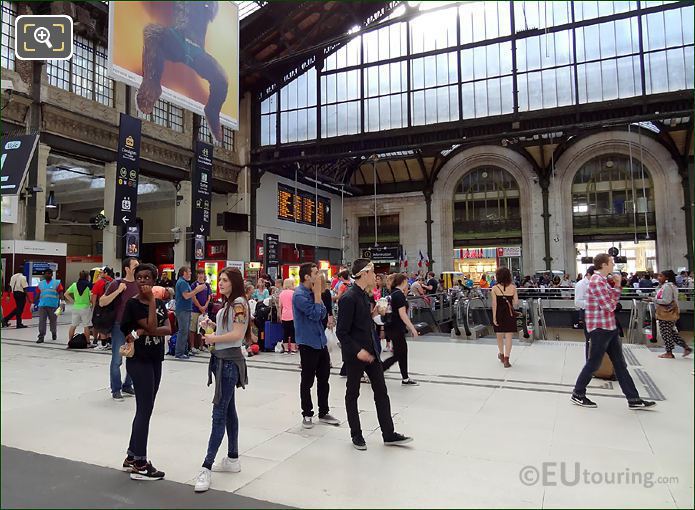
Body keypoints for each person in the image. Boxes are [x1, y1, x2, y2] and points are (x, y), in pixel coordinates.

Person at [336, 258, 413, 451]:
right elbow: (342, 332)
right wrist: (357, 351)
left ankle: (388, 433)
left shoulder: (364, 295)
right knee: (352, 393)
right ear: (363, 274)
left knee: (381, 391)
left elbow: (361, 323)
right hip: (356, 355)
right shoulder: (348, 297)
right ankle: (356, 434)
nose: (375, 275)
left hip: (371, 352)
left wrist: (374, 314)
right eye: (371, 271)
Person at [570, 253, 656, 410]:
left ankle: (633, 398)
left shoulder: (602, 281)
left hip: (609, 327)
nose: (613, 264)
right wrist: (614, 294)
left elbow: (612, 300)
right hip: (600, 328)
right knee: (594, 363)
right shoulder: (597, 281)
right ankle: (578, 393)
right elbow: (609, 306)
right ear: (603, 265)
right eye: (611, 262)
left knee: (620, 365)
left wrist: (617, 286)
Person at [193, 268, 252, 492]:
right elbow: (231, 331)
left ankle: (206, 466)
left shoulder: (238, 303)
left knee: (219, 413)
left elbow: (237, 334)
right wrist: (212, 328)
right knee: (228, 411)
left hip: (228, 363)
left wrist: (213, 337)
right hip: (223, 361)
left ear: (234, 282)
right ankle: (232, 458)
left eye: (225, 280)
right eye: (219, 279)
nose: (220, 283)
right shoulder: (231, 303)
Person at [120, 263, 171, 481]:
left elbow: (168, 328)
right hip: (139, 361)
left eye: (147, 277)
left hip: (155, 358)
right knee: (144, 409)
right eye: (139, 277)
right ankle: (140, 462)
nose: (143, 281)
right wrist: (150, 303)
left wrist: (149, 329)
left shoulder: (160, 302)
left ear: (154, 280)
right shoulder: (133, 305)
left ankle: (132, 456)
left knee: (146, 409)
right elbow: (151, 325)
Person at [293, 263, 341, 429]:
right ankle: (307, 413)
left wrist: (318, 297)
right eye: (315, 273)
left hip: (320, 341)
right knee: (307, 380)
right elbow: (315, 314)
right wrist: (318, 295)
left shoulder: (314, 293)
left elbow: (322, 314)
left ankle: (324, 411)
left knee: (324, 378)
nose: (319, 276)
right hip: (308, 342)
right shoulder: (299, 295)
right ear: (307, 276)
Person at [100, 257, 140, 400]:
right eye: (135, 266)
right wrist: (118, 291)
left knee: (133, 357)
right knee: (117, 359)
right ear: (127, 269)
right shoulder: (116, 283)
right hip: (119, 326)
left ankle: (127, 385)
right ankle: (116, 388)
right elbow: (102, 301)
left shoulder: (139, 284)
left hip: (135, 327)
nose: (138, 268)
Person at [382, 273, 419, 385]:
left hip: (391, 327)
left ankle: (405, 377)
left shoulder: (393, 294)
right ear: (402, 282)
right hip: (396, 328)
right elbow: (402, 314)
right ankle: (378, 370)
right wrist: (412, 328)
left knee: (402, 353)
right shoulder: (399, 295)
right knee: (399, 354)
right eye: (406, 281)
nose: (407, 284)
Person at [647, 270, 692, 359]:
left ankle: (669, 352)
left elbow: (666, 301)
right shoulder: (668, 286)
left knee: (665, 333)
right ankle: (686, 347)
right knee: (672, 332)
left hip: (667, 313)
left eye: (661, 276)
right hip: (670, 312)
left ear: (667, 278)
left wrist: (653, 300)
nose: (658, 278)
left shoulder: (667, 287)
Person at [174, 266, 206, 360]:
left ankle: (184, 351)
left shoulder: (184, 282)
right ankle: (179, 352)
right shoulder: (183, 283)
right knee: (183, 331)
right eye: (189, 271)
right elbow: (186, 296)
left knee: (185, 331)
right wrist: (197, 290)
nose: (191, 273)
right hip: (183, 309)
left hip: (186, 309)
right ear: (184, 273)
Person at [491, 267, 518, 368]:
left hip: (499, 314)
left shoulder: (494, 288)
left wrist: (494, 318)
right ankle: (507, 359)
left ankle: (501, 355)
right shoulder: (513, 288)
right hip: (509, 314)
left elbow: (494, 304)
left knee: (499, 336)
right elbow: (516, 303)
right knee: (509, 337)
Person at [35, 269, 64, 344]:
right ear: (44, 275)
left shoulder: (57, 283)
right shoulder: (40, 284)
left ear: (51, 275)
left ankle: (53, 332)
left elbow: (60, 292)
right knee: (42, 321)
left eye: (49, 273)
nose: (47, 275)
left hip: (53, 305)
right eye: (46, 273)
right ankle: (41, 336)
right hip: (42, 305)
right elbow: (38, 294)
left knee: (53, 321)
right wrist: (32, 303)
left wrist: (62, 301)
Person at [65, 270, 93, 343]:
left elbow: (66, 294)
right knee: (86, 326)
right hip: (85, 307)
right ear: (87, 276)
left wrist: (73, 302)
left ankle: (70, 341)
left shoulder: (74, 285)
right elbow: (92, 296)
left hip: (75, 307)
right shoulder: (89, 285)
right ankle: (88, 342)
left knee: (73, 325)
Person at [91, 267, 115, 349]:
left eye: (101, 272)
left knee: (101, 326)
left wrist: (94, 307)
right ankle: (110, 343)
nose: (100, 274)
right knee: (110, 325)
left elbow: (94, 295)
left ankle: (103, 344)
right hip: (112, 306)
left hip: (101, 307)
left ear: (106, 273)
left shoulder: (99, 282)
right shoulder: (114, 282)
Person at [574, 266, 595, 358]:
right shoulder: (581, 284)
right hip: (587, 313)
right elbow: (577, 302)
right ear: (588, 274)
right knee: (590, 338)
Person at [191, 269, 212, 354]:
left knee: (203, 328)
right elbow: (193, 297)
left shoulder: (207, 285)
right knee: (192, 328)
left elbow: (209, 297)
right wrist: (200, 307)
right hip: (195, 310)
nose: (201, 275)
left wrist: (205, 306)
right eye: (199, 274)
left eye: (202, 273)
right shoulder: (193, 285)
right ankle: (192, 346)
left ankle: (202, 345)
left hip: (204, 310)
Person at [277, 278, 296, 354]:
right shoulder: (293, 293)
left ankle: (286, 349)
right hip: (292, 315)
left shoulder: (281, 294)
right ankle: (293, 349)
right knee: (292, 333)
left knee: (285, 333)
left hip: (284, 315)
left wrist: (279, 315)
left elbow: (280, 306)